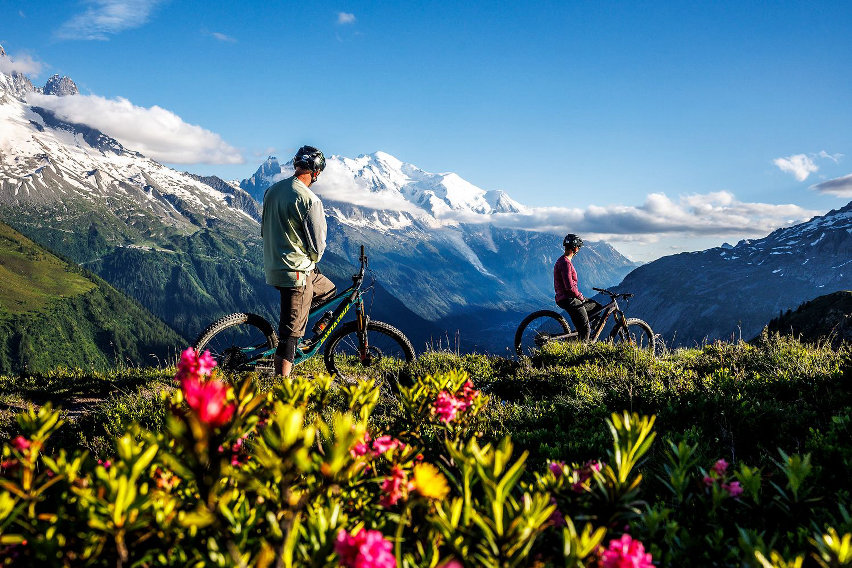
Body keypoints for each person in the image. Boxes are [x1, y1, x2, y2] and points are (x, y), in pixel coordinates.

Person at [262, 145, 336, 377]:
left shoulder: (271, 191)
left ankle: (304, 327)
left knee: (329, 290)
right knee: (290, 335)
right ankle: (281, 382)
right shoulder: (309, 200)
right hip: (297, 273)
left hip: (273, 266)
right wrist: (311, 258)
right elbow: (317, 248)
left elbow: (264, 230)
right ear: (315, 172)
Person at [554, 234, 599, 342]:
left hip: (564, 298)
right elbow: (569, 287)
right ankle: (582, 347)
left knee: (596, 308)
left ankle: (579, 335)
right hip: (569, 299)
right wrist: (580, 296)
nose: (578, 250)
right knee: (586, 329)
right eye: (578, 247)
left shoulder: (562, 260)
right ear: (575, 248)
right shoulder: (566, 263)